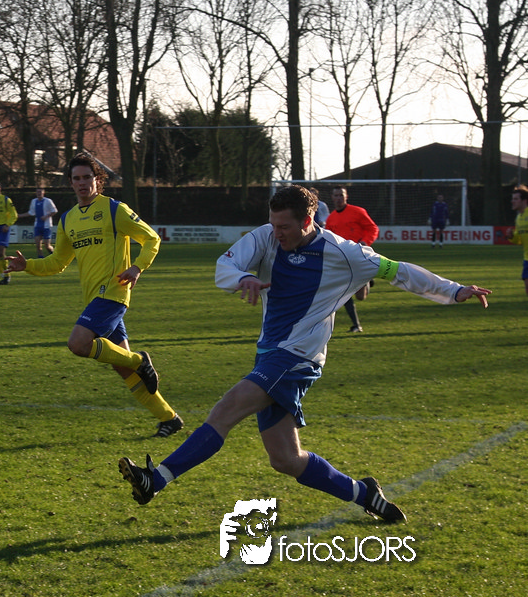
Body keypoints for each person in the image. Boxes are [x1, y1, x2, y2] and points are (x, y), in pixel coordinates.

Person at [118, 185, 491, 522]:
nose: (276, 232)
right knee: (285, 459)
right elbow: (224, 266)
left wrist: (454, 290)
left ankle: (156, 479)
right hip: (270, 354)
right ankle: (365, 494)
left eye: (284, 226)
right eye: (273, 224)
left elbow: (399, 270)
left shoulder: (344, 253)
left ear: (308, 221)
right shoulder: (266, 237)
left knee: (226, 410)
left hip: (298, 357)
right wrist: (243, 278)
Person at [6, 154, 184, 438]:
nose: (82, 183)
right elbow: (57, 263)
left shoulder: (115, 210)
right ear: (70, 182)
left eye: (87, 177)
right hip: (93, 298)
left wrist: (137, 266)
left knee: (78, 343)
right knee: (121, 367)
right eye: (76, 178)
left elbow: (152, 238)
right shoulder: (68, 219)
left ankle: (140, 360)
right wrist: (27, 265)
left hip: (113, 292)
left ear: (98, 180)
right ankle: (169, 418)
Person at [324, 186, 379, 333]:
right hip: (342, 260)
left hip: (358, 256)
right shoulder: (331, 219)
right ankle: (356, 325)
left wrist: (365, 242)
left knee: (361, 297)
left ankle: (366, 279)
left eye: (341, 195)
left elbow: (373, 228)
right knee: (343, 291)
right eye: (336, 195)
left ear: (346, 196)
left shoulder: (357, 212)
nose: (338, 198)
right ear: (332, 197)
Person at [507, 185, 528, 295]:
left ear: (524, 201)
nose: (512, 201)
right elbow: (519, 240)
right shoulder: (519, 218)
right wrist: (511, 236)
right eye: (512, 199)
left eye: (516, 199)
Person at [26, 186, 58, 257]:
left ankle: (54, 255)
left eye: (40, 192)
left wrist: (46, 216)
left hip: (47, 225)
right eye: (37, 192)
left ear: (43, 192)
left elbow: (55, 211)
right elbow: (31, 212)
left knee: (47, 246)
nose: (39, 193)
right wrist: (19, 215)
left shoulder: (48, 201)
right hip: (37, 225)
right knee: (38, 245)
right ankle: (41, 259)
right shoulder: (33, 201)